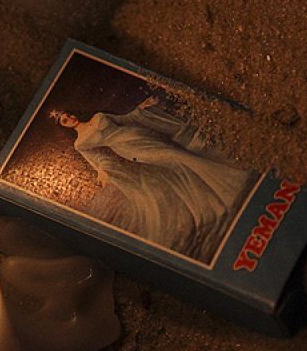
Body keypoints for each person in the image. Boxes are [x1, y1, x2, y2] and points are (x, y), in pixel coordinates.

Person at [52, 97, 254, 262]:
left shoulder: (98, 116)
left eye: (67, 114)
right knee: (178, 159)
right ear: (64, 126)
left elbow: (126, 119)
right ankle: (226, 190)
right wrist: (104, 173)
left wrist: (140, 108)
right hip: (131, 149)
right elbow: (98, 160)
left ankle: (221, 189)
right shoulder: (80, 143)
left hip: (140, 135)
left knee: (182, 161)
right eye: (64, 120)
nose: (68, 118)